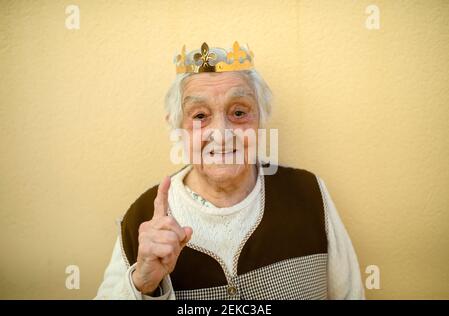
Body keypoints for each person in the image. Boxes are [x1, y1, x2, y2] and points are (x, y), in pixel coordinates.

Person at [95, 41, 365, 300]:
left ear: (261, 117)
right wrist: (142, 284)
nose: (222, 136)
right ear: (177, 127)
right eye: (200, 115)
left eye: (238, 113)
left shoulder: (309, 193)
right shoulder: (142, 219)